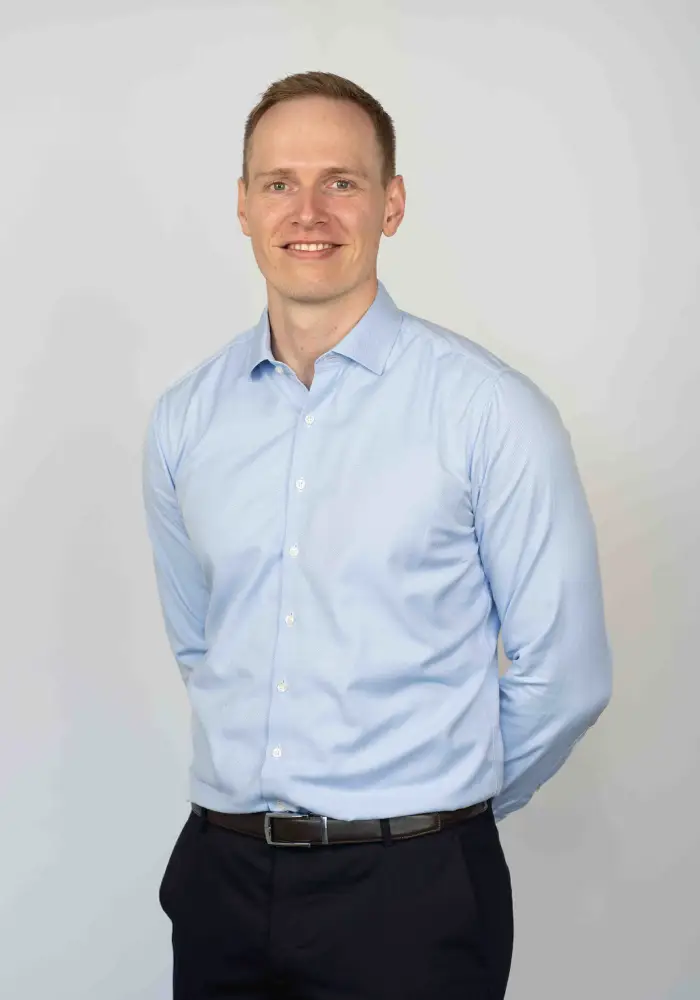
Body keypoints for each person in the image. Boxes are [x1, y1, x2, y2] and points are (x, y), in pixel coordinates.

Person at [142, 70, 612, 1000]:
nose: (308, 212)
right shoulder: (185, 420)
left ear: (391, 204)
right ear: (243, 206)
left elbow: (567, 677)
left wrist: (446, 806)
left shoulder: (487, 413)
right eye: (279, 183)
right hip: (220, 882)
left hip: (414, 897)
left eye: (342, 182)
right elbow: (205, 646)